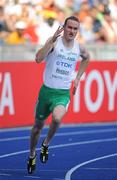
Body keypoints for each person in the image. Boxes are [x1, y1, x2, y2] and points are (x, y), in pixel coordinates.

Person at [27, 16, 90, 174]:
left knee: (57, 118)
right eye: (70, 28)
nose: (72, 31)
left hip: (62, 93)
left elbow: (87, 58)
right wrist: (51, 41)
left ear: (77, 31)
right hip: (46, 92)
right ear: (64, 27)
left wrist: (77, 78)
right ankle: (32, 154)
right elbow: (38, 59)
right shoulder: (54, 41)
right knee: (37, 128)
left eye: (75, 29)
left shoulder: (79, 48)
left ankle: (46, 144)